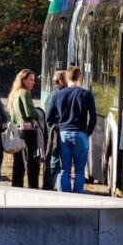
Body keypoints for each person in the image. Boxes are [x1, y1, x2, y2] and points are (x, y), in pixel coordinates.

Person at [46, 65, 96, 193]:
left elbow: (49, 117)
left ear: (66, 78)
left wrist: (58, 128)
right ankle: (78, 195)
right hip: (81, 134)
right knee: (79, 170)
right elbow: (93, 118)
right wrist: (87, 132)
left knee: (64, 169)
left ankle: (64, 197)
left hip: (63, 134)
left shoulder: (58, 94)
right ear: (80, 77)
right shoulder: (86, 94)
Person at [8, 68, 41, 188]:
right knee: (32, 162)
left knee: (18, 163)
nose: (33, 82)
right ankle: (33, 187)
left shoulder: (14, 94)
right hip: (28, 132)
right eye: (30, 80)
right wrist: (40, 113)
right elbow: (30, 112)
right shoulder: (25, 93)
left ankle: (16, 186)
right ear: (23, 80)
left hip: (17, 131)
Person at [41, 70, 67, 190]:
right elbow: (49, 117)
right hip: (56, 130)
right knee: (55, 158)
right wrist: (55, 126)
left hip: (54, 129)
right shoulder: (57, 94)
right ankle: (49, 184)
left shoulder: (54, 93)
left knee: (55, 158)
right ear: (60, 80)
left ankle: (51, 184)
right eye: (67, 78)